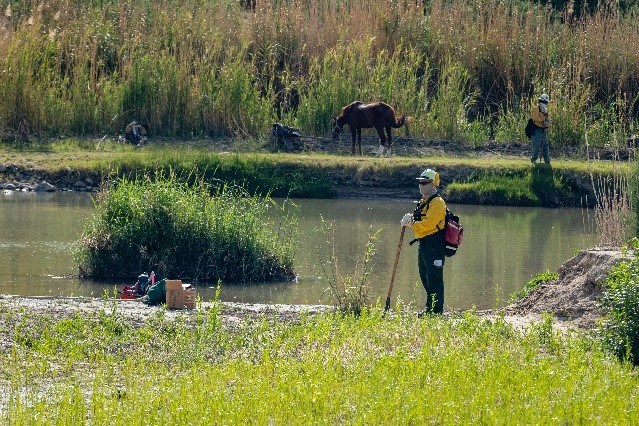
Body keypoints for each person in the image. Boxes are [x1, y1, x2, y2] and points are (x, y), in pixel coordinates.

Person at [400, 168, 447, 315]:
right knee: (425, 276)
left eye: (424, 182)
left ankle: (436, 311)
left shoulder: (438, 203)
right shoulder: (423, 201)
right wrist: (410, 219)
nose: (421, 185)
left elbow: (428, 225)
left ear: (433, 184)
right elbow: (419, 224)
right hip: (424, 243)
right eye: (420, 182)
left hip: (435, 245)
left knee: (434, 278)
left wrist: (411, 224)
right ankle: (430, 308)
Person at [531, 93, 551, 164]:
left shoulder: (545, 110)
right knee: (536, 145)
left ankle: (547, 160)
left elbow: (548, 118)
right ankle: (533, 160)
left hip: (543, 130)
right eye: (543, 102)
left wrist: (547, 122)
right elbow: (535, 118)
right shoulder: (536, 109)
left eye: (545, 102)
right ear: (540, 102)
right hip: (536, 130)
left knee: (545, 146)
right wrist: (543, 120)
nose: (544, 104)